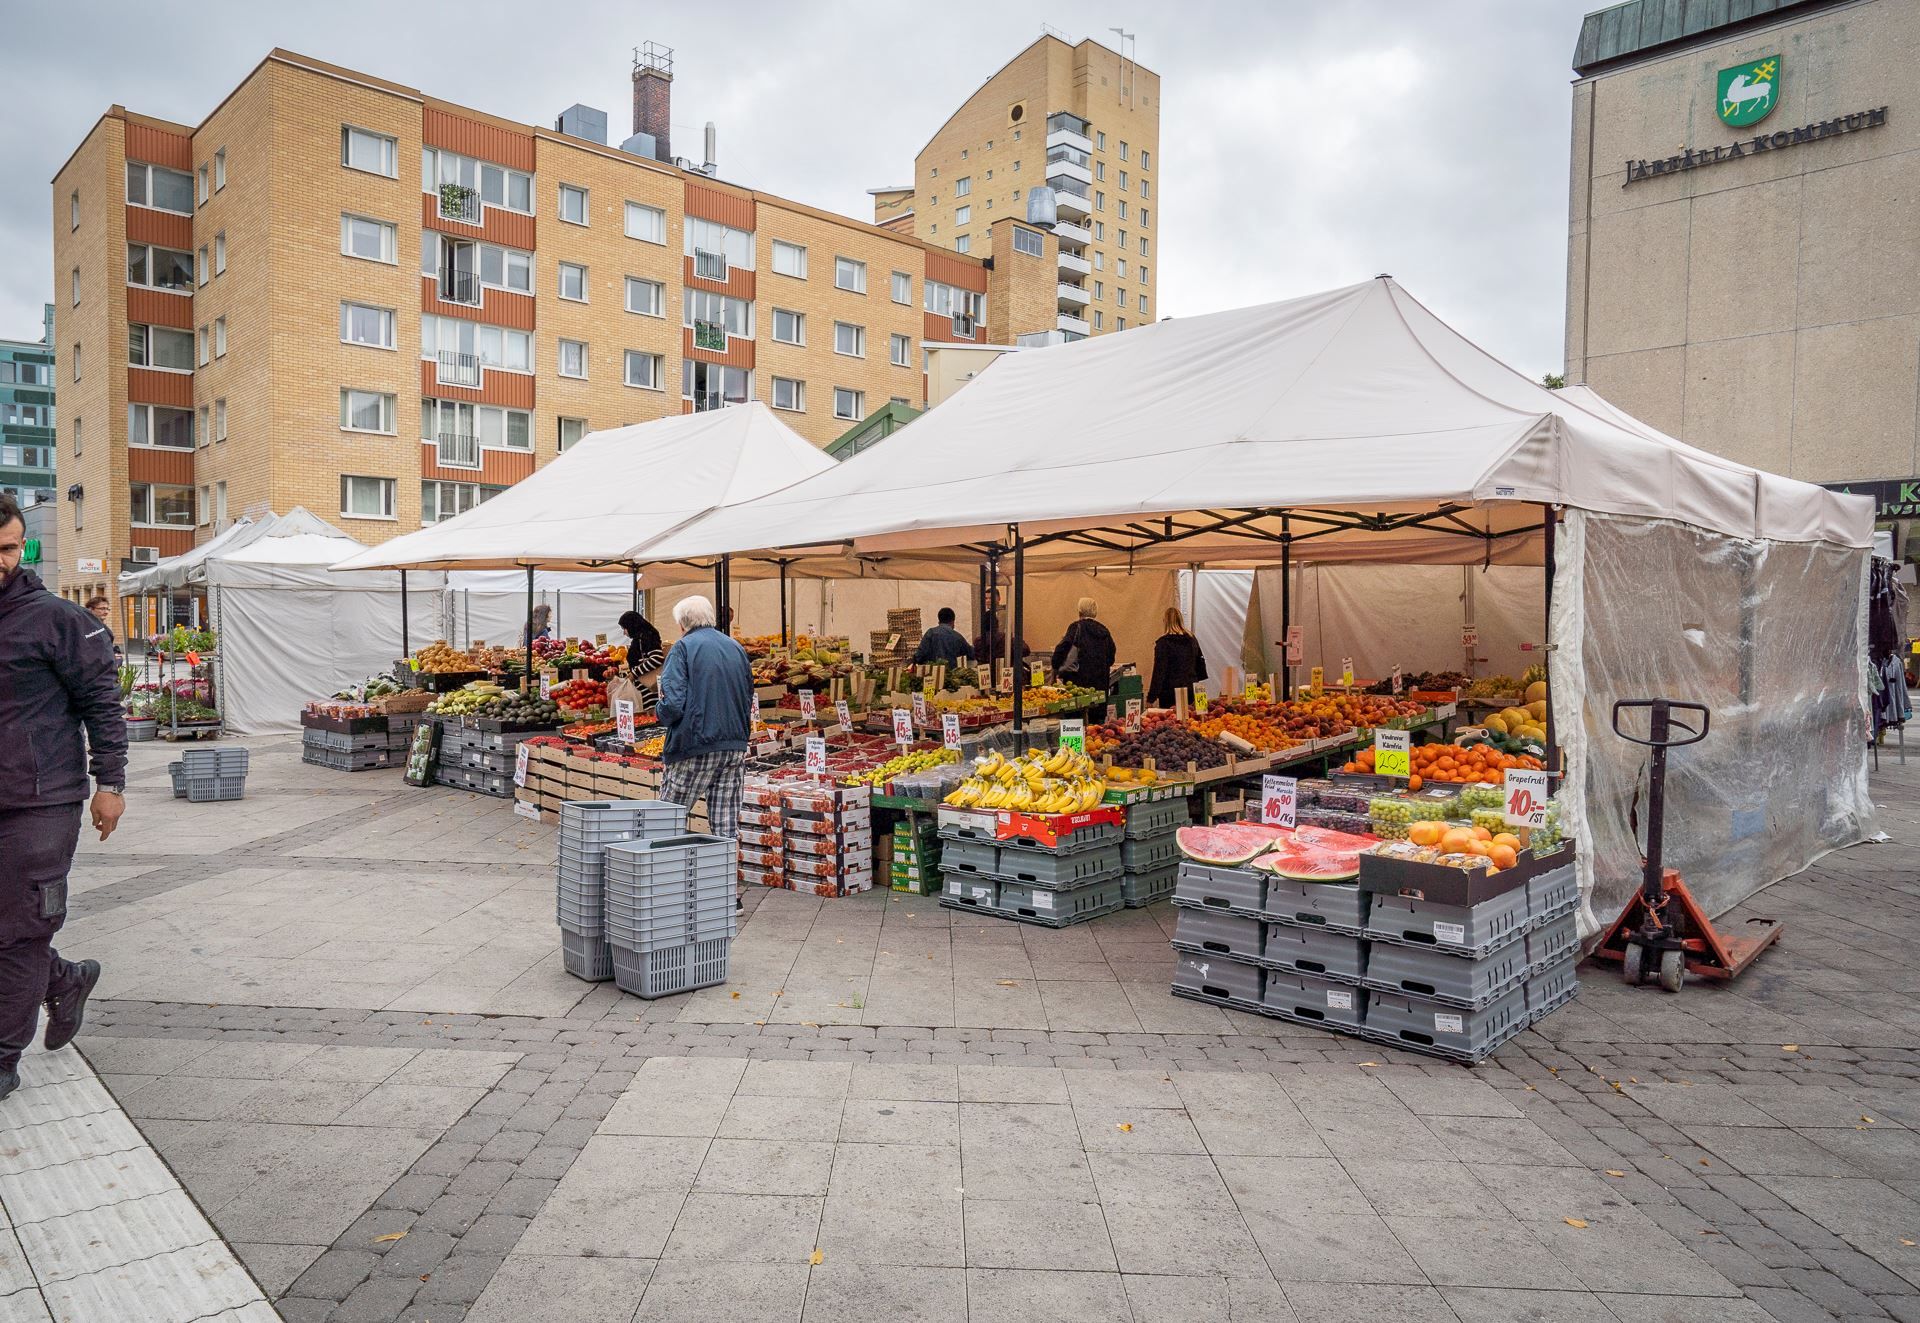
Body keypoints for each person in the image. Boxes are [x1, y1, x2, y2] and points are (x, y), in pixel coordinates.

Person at [0, 493, 120, 1101]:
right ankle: (66, 980)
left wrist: (112, 783)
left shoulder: (56, 619)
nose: (2, 560)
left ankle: (2, 1056)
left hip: (43, 799)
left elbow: (103, 702)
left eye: (9, 547)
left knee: (20, 930)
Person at [654, 596, 754, 903]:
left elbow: (672, 703)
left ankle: (664, 889)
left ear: (682, 623)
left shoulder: (682, 649)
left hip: (695, 744)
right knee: (725, 825)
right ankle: (727, 897)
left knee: (668, 818)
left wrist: (658, 712)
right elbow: (749, 694)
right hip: (734, 746)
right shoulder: (736, 647)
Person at [1052, 597, 1116, 721]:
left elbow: (1062, 649)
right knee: (1095, 728)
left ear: (1079, 611)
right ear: (1095, 612)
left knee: (1075, 723)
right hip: (1099, 686)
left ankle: (1075, 740)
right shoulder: (1104, 631)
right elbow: (1111, 657)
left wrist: (1056, 666)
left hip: (1077, 686)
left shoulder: (1076, 628)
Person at [1148, 606, 1208, 708]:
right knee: (1193, 720)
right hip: (1191, 689)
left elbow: (1159, 671)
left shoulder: (1163, 643)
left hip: (1170, 693)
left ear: (1165, 622)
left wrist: (1151, 697)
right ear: (1181, 620)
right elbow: (1200, 664)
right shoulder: (1192, 639)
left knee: (1171, 721)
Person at [618, 609, 666, 713]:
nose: (624, 632)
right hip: (646, 691)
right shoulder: (639, 638)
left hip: (651, 691)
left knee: (654, 718)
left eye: (624, 628)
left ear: (631, 625)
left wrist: (634, 674)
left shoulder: (647, 636)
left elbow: (656, 658)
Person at [972, 607, 1027, 678]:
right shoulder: (1005, 639)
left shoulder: (978, 642)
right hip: (1007, 675)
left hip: (986, 676)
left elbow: (976, 656)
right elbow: (1025, 650)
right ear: (997, 624)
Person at [85, 596, 123, 667]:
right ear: (90, 609)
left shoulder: (104, 627)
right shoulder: (85, 627)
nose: (106, 612)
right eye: (102, 609)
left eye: (107, 609)